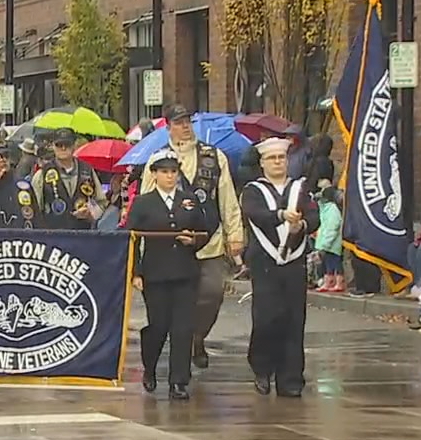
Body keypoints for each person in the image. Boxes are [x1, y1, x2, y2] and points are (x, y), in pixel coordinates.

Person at [138, 105, 244, 369]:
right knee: (172, 306)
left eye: (187, 121)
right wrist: (140, 255)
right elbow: (143, 205)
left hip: (210, 240)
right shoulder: (158, 159)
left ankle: (198, 337)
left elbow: (227, 197)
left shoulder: (213, 156)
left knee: (212, 293)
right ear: (169, 127)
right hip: (171, 246)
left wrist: (235, 234)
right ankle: (181, 347)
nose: (184, 126)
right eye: (178, 122)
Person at [126, 150, 215, 400]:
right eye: (164, 172)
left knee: (183, 328)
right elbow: (132, 239)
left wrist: (193, 241)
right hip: (156, 274)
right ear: (154, 175)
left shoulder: (189, 200)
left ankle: (179, 381)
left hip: (185, 272)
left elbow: (204, 230)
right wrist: (136, 272)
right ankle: (150, 367)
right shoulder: (144, 202)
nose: (169, 176)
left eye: (173, 172)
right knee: (159, 326)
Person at [242, 137, 320, 398]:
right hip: (265, 262)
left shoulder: (300, 188)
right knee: (266, 319)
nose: (277, 162)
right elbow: (255, 213)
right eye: (272, 159)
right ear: (262, 163)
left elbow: (313, 215)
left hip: (294, 261)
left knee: (293, 320)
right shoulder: (254, 190)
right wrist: (280, 216)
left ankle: (290, 378)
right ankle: (262, 367)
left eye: (281, 158)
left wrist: (302, 226)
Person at [31, 129, 105, 230]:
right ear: (53, 146)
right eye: (59, 145)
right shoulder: (42, 174)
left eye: (67, 144)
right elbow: (34, 209)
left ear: (74, 145)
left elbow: (101, 202)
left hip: (83, 235)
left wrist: (91, 213)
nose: (63, 148)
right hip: (53, 237)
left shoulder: (87, 171)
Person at [314, 187, 344, 292]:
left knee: (336, 263)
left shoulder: (332, 209)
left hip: (333, 243)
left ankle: (339, 282)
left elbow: (333, 227)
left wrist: (325, 243)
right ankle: (328, 282)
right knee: (327, 263)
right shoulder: (325, 209)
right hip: (325, 242)